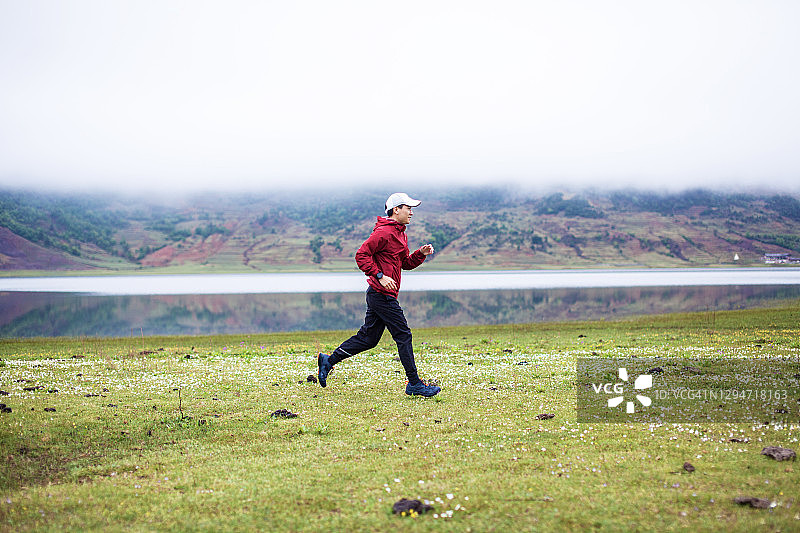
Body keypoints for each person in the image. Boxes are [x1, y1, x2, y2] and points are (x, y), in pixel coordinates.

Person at [317, 192, 441, 397]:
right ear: (396, 210)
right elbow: (361, 255)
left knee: (369, 339)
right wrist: (379, 275)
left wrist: (420, 254)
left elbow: (404, 264)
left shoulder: (400, 234)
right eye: (408, 208)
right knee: (403, 334)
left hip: (381, 294)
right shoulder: (383, 233)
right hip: (380, 294)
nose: (411, 212)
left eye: (411, 208)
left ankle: (328, 361)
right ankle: (414, 384)